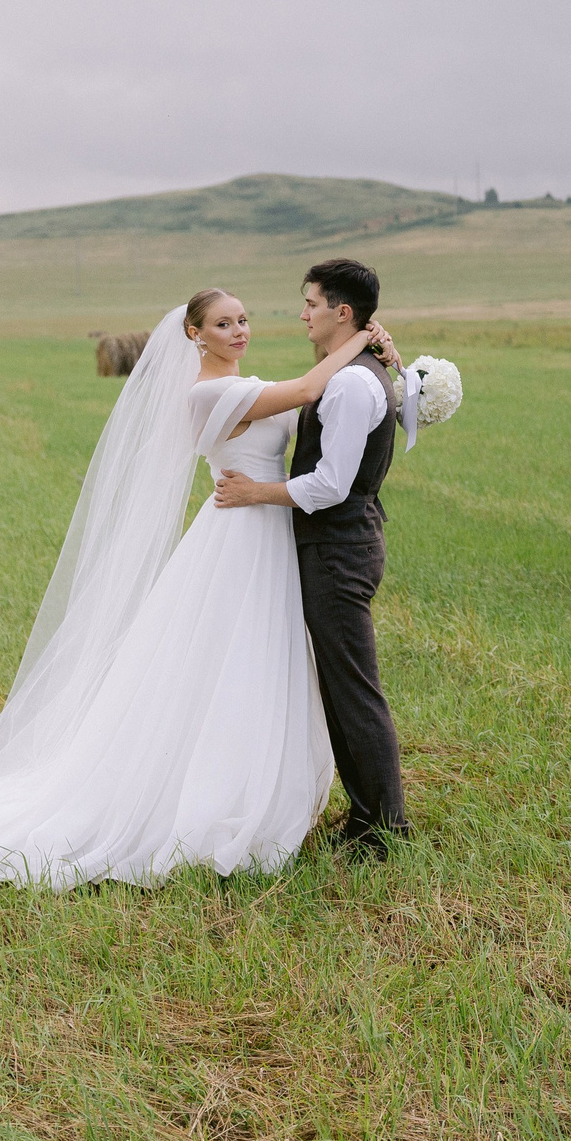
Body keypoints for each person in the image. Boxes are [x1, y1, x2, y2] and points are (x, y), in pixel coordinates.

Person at [0, 289, 381, 889]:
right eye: (222, 324)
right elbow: (307, 390)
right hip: (239, 533)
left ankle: (252, 785)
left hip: (267, 529)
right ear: (195, 335)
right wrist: (362, 340)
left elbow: (311, 397)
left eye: (242, 320)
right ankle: (211, 799)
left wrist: (366, 360)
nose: (239, 331)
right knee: (228, 658)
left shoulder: (245, 385)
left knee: (259, 660)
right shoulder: (207, 394)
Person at [214, 258, 419, 857]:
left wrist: (257, 492)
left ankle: (385, 830)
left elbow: (331, 484)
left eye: (311, 304)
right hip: (339, 544)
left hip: (339, 549)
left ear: (342, 312)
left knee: (353, 688)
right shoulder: (354, 371)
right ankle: (365, 817)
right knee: (339, 685)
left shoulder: (353, 383)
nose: (303, 314)